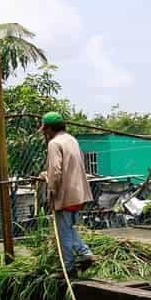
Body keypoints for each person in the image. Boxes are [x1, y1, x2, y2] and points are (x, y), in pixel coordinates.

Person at [38, 112, 94, 273]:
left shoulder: (54, 143)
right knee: (68, 228)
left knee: (64, 233)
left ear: (49, 129)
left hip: (65, 194)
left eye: (45, 130)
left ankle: (69, 267)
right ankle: (84, 253)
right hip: (79, 192)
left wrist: (51, 190)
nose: (45, 133)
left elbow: (56, 170)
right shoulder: (71, 140)